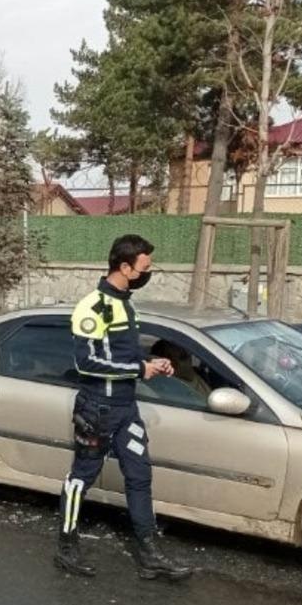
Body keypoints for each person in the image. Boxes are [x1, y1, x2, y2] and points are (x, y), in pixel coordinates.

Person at [56, 234, 194, 582]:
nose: (149, 272)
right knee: (80, 479)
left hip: (126, 409)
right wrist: (138, 370)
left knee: (139, 475)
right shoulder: (93, 307)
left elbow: (121, 356)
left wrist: (152, 362)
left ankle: (149, 554)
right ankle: (66, 546)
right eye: (145, 267)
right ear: (125, 267)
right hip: (96, 409)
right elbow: (86, 363)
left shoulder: (125, 305)